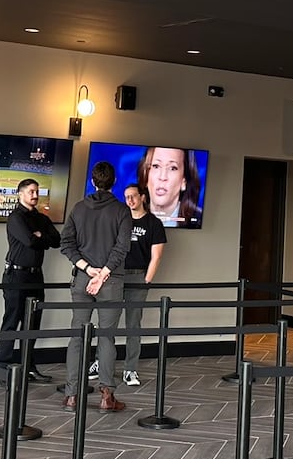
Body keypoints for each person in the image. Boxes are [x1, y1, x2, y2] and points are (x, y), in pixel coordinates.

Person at [60, 160, 131, 411]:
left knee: (77, 336)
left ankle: (72, 395)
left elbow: (66, 243)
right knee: (106, 338)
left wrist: (88, 270)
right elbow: (122, 247)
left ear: (92, 182)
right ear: (113, 183)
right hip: (111, 282)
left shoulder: (78, 209)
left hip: (81, 280)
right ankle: (106, 397)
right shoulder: (122, 211)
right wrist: (102, 275)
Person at [0, 178, 59, 382]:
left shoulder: (41, 218)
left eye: (37, 192)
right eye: (31, 191)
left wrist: (41, 236)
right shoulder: (16, 217)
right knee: (12, 321)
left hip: (36, 275)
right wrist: (42, 237)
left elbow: (57, 240)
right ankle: (3, 369)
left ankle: (28, 366)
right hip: (16, 275)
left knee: (32, 323)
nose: (35, 195)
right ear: (20, 193)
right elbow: (30, 241)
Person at [108, 182, 167, 386]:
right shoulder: (120, 220)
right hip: (115, 276)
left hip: (137, 277)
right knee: (109, 323)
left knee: (133, 325)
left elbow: (156, 256)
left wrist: (146, 280)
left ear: (143, 197)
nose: (130, 200)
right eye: (126, 197)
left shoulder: (153, 223)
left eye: (133, 196)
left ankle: (130, 369)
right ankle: (102, 363)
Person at [136, 146, 202, 227]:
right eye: (156, 166)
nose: (162, 177)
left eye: (172, 168)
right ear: (145, 175)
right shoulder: (128, 217)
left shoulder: (197, 222)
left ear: (184, 181)